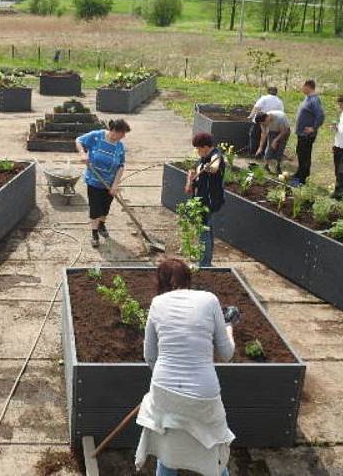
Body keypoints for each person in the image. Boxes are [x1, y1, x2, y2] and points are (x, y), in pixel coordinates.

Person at [135, 258, 236, 476]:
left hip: (163, 391)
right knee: (214, 452)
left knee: (167, 450)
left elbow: (149, 356)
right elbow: (227, 354)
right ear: (188, 279)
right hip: (204, 396)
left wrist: (167, 380)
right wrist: (228, 326)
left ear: (159, 283)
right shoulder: (210, 300)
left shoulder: (157, 303)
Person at [75, 119, 130, 248]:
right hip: (94, 181)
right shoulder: (97, 136)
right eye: (122, 133)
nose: (124, 136)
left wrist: (115, 185)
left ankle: (101, 225)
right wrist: (83, 154)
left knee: (105, 208)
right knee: (95, 208)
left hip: (110, 183)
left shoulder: (119, 146)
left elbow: (121, 166)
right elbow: (79, 140)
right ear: (114, 131)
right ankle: (94, 234)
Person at [184, 133, 225, 267]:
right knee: (208, 229)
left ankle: (204, 263)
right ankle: (206, 260)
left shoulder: (215, 155)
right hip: (200, 199)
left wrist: (209, 167)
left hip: (209, 201)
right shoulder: (203, 157)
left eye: (199, 148)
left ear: (206, 147)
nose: (197, 151)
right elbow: (192, 170)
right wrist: (189, 183)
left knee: (204, 232)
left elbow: (215, 167)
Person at [291, 79, 325, 186]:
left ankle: (302, 178)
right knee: (300, 153)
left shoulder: (314, 100)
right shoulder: (308, 98)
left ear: (308, 86)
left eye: (302, 86)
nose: (301, 89)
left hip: (307, 134)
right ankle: (299, 173)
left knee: (305, 155)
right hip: (301, 133)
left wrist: (313, 128)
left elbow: (320, 115)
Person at [247, 86, 283, 155]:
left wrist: (250, 116)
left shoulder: (264, 98)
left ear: (268, 91)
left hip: (259, 120)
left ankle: (252, 152)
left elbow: (256, 108)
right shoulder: (279, 101)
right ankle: (262, 153)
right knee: (266, 138)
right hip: (270, 122)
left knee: (254, 136)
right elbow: (280, 113)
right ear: (276, 92)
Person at [254, 109, 291, 174]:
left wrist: (275, 141)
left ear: (267, 118)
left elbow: (284, 131)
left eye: (263, 123)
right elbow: (263, 134)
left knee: (280, 148)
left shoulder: (280, 118)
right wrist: (260, 147)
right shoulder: (262, 120)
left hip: (284, 131)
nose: (263, 125)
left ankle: (278, 166)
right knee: (269, 147)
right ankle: (266, 166)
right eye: (261, 124)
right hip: (273, 131)